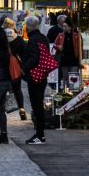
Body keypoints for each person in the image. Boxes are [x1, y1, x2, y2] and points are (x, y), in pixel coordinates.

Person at [19, 15, 52, 144]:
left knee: (36, 105)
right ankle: (40, 134)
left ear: (29, 27)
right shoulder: (43, 38)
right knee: (38, 104)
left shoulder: (33, 40)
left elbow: (34, 58)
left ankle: (40, 135)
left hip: (35, 76)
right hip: (42, 76)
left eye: (25, 26)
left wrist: (23, 69)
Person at [3, 18, 28, 121]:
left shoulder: (0, 38)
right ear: (12, 26)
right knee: (17, 90)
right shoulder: (18, 39)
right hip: (15, 69)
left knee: (3, 90)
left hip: (3, 68)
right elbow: (25, 52)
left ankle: (2, 112)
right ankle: (21, 110)